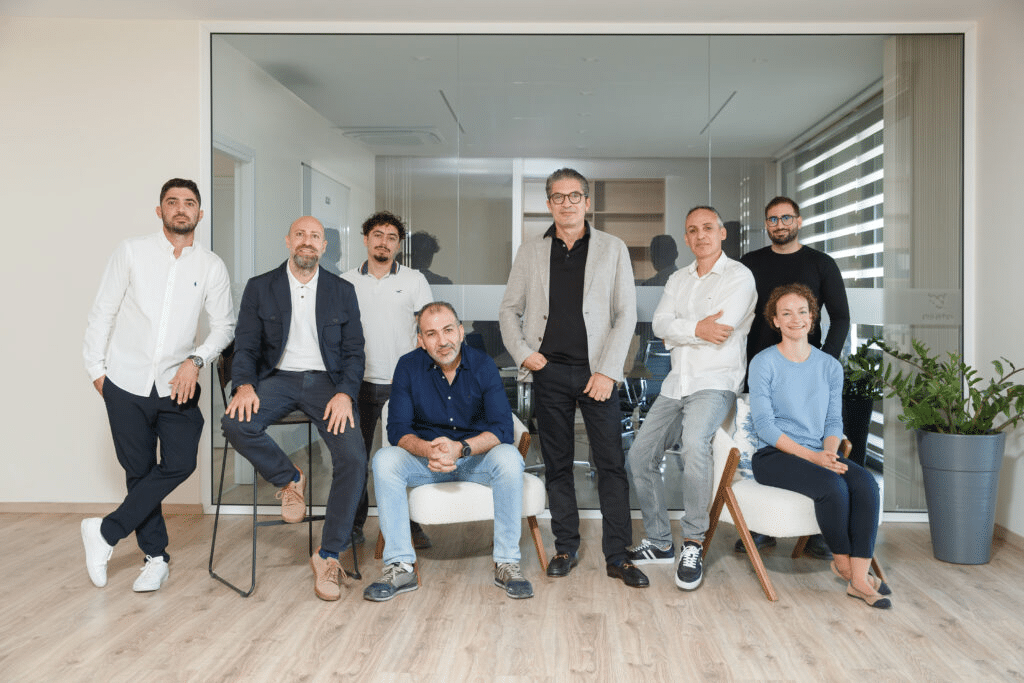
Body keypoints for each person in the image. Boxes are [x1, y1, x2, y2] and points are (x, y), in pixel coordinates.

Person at [82, 178, 234, 593]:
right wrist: (97, 371)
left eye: (189, 202)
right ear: (159, 210)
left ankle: (105, 531)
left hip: (176, 383)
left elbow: (224, 326)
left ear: (200, 213)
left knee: (181, 462)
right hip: (124, 380)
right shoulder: (131, 251)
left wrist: (196, 360)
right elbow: (103, 311)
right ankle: (156, 558)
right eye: (172, 201)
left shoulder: (211, 266)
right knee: (139, 471)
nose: (181, 208)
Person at [499, 167, 648, 588]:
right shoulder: (531, 251)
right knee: (558, 463)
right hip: (548, 372)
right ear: (549, 204)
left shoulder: (612, 248)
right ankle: (565, 546)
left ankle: (618, 555)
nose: (567, 203)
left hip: (597, 374)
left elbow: (626, 315)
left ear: (587, 202)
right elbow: (509, 309)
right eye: (558, 197)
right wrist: (525, 355)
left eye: (574, 196)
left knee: (611, 464)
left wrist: (607, 372)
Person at [221, 216, 366, 602]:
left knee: (353, 458)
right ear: (288, 241)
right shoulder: (260, 287)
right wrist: (245, 385)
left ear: (324, 247)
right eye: (300, 234)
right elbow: (246, 345)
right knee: (235, 422)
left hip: (327, 384)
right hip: (277, 379)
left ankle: (328, 555)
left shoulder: (342, 290)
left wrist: (345, 394)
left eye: (315, 236)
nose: (307, 241)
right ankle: (289, 478)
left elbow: (354, 351)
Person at [364, 302, 532, 601]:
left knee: (509, 457)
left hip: (474, 459)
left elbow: (502, 429)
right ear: (420, 340)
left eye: (448, 330)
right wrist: (428, 450)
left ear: (461, 331)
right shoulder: (407, 366)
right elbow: (398, 430)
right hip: (426, 461)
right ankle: (400, 566)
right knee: (384, 460)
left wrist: (461, 449)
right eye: (431, 334)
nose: (442, 341)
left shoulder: (483, 364)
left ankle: (507, 562)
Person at [626, 206, 756, 590]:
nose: (701, 235)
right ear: (686, 238)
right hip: (675, 383)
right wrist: (698, 328)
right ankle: (660, 542)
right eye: (693, 230)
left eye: (708, 228)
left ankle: (694, 542)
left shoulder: (739, 276)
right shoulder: (678, 279)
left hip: (715, 381)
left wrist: (681, 329)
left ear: (722, 233)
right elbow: (659, 325)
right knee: (639, 456)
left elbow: (723, 329)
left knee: (695, 444)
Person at [748, 284, 891, 609]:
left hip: (819, 452)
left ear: (812, 318)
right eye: (786, 313)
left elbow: (833, 422)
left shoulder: (829, 366)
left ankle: (858, 579)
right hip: (774, 456)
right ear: (775, 321)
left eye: (802, 311)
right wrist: (814, 457)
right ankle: (844, 566)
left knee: (866, 484)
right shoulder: (763, 363)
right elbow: (765, 427)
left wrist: (828, 452)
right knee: (833, 487)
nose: (795, 319)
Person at [738, 195, 851, 558]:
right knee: (761, 443)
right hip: (759, 368)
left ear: (799, 221)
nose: (780, 224)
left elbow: (841, 317)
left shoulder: (821, 263)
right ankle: (760, 526)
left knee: (812, 441)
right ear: (766, 225)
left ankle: (818, 530)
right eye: (772, 219)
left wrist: (823, 364)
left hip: (807, 370)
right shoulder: (750, 263)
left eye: (786, 218)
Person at [342, 211, 433, 548]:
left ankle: (410, 525)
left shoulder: (414, 280)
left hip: (403, 386)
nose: (384, 242)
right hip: (358, 384)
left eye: (391, 237)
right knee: (356, 461)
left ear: (398, 245)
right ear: (366, 239)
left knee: (405, 459)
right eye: (378, 235)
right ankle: (353, 525)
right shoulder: (345, 281)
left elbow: (428, 327)